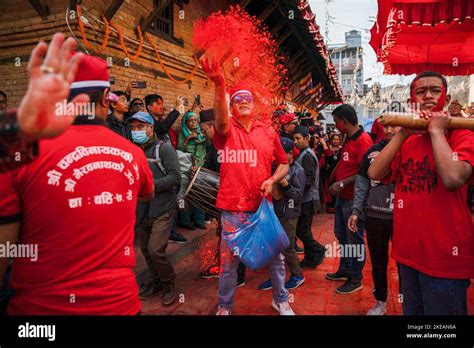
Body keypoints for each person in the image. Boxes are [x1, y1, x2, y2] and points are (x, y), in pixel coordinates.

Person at [0, 33, 154, 314]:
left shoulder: (17, 154)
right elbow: (147, 193)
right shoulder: (133, 153)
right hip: (122, 306)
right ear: (107, 100)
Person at [368, 71, 473, 315]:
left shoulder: (462, 135)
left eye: (435, 90)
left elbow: (453, 178)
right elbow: (374, 173)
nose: (427, 96)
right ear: (411, 102)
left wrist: (437, 131)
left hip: (445, 257)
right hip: (407, 254)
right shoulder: (407, 140)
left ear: (446, 99)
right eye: (420, 91)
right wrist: (404, 131)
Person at [201, 57, 293, 316]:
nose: (242, 101)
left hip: (263, 208)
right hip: (233, 209)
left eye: (246, 98)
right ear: (232, 105)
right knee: (229, 264)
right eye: (237, 99)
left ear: (254, 104)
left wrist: (272, 180)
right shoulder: (227, 130)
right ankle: (225, 306)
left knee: (276, 259)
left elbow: (284, 165)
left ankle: (281, 299)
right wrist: (220, 84)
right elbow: (219, 120)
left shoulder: (269, 131)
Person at [348, 122, 400, 315]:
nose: (389, 130)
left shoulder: (409, 149)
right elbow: (361, 185)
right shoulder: (371, 151)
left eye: (393, 126)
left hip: (401, 217)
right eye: (385, 126)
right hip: (375, 216)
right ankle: (380, 301)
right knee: (378, 262)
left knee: (406, 264)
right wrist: (356, 211)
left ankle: (410, 301)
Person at [129, 111, 180, 305]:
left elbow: (176, 177)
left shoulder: (164, 149)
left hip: (162, 208)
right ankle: (156, 280)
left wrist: (149, 186)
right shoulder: (131, 150)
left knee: (156, 249)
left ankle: (169, 283)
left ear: (151, 128)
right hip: (140, 210)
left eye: (140, 127)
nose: (136, 131)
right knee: (145, 250)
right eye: (133, 128)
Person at [326, 104, 373, 294]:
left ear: (344, 121)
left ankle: (355, 278)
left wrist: (342, 183)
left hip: (354, 201)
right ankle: (345, 269)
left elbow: (367, 172)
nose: (335, 126)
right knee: (342, 235)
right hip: (343, 198)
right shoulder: (350, 139)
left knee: (354, 239)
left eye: (336, 121)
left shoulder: (363, 141)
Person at [197, 109, 246, 286]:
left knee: (234, 236)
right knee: (225, 234)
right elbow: (209, 166)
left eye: (204, 130)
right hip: (223, 198)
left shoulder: (232, 143)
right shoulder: (214, 146)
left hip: (235, 199)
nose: (202, 134)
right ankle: (224, 268)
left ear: (213, 126)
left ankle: (238, 276)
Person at [259, 137, 306, 290]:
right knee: (273, 246)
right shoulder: (276, 167)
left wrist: (285, 185)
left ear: (290, 153)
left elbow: (298, 197)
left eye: (280, 154)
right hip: (275, 212)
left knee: (287, 246)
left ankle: (297, 275)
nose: (276, 157)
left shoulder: (298, 171)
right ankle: (275, 278)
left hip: (290, 214)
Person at [293, 125, 327, 268]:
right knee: (305, 229)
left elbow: (309, 179)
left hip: (308, 199)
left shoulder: (307, 155)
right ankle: (309, 258)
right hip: (306, 198)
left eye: (298, 138)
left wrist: (295, 191)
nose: (295, 141)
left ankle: (318, 249)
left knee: (301, 230)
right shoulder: (304, 153)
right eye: (294, 138)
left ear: (306, 139)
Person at [177, 111, 207, 230]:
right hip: (186, 167)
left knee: (200, 194)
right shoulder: (182, 134)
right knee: (183, 195)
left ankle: (199, 220)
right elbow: (180, 149)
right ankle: (185, 221)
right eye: (191, 120)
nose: (194, 122)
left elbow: (207, 147)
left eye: (195, 120)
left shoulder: (203, 134)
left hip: (200, 167)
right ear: (186, 122)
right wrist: (188, 138)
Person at [321, 133, 343, 213]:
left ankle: (336, 207)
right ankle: (329, 207)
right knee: (329, 189)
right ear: (331, 140)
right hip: (328, 173)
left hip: (338, 174)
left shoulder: (342, 150)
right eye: (334, 139)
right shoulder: (328, 149)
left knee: (337, 189)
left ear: (340, 141)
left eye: (337, 139)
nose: (336, 141)